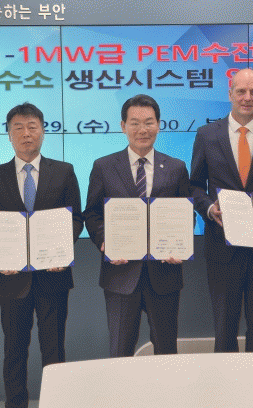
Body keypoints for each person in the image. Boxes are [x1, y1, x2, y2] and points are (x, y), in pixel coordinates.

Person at [0, 103, 83, 408]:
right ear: (9, 134)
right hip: (12, 279)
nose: (26, 133)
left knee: (54, 350)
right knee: (14, 350)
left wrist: (62, 250)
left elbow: (75, 218)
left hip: (54, 276)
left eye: (32, 127)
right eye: (19, 128)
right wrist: (0, 257)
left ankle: (56, 403)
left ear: (43, 131)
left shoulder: (64, 171)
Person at [190, 68, 253, 353]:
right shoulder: (207, 135)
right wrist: (210, 208)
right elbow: (194, 186)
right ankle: (226, 381)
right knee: (224, 327)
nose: (247, 97)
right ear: (230, 94)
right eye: (241, 91)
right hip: (222, 247)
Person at [84, 94, 191, 357]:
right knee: (120, 351)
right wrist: (104, 242)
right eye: (135, 123)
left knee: (166, 351)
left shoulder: (176, 167)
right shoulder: (104, 166)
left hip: (164, 274)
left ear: (159, 125)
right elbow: (92, 214)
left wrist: (180, 244)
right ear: (123, 126)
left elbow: (186, 215)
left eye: (149, 122)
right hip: (120, 275)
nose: (142, 130)